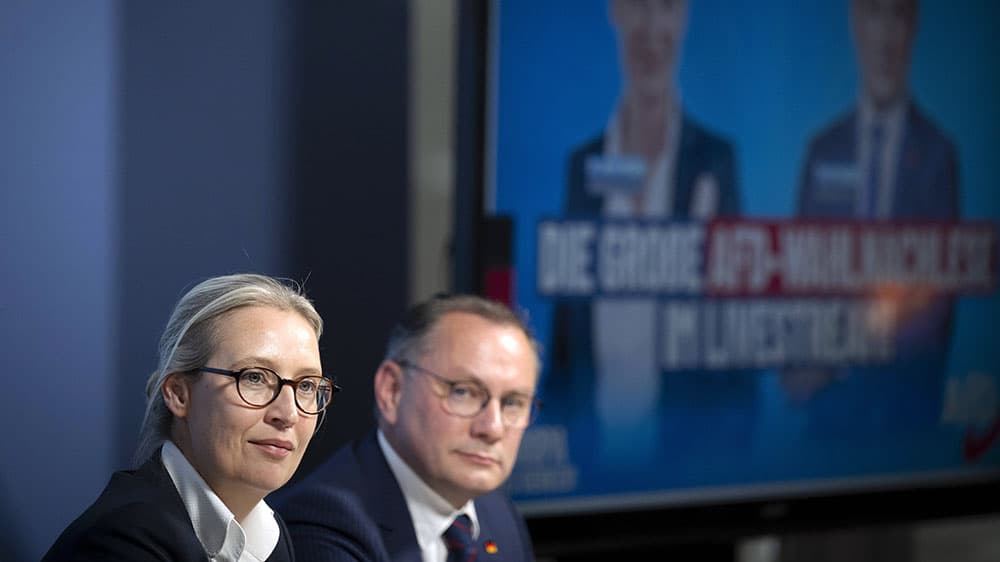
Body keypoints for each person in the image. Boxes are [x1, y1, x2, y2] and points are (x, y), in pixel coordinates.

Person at [548, 0, 749, 466]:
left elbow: (739, 341)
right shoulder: (583, 167)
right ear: (615, 11)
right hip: (589, 472)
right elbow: (564, 342)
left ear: (684, 17)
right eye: (638, 4)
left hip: (689, 465)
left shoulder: (716, 161)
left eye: (666, 6)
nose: (651, 26)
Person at [43, 273, 339, 561]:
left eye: (307, 385)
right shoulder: (118, 542)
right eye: (254, 378)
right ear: (179, 394)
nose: (287, 414)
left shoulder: (270, 534)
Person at [787, 0, 958, 433]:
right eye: (873, 14)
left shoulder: (939, 154)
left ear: (913, 27)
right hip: (825, 419)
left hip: (904, 418)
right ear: (854, 24)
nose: (884, 36)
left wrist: (847, 348)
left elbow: (937, 308)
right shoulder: (821, 149)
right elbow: (798, 277)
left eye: (897, 15)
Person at [274, 294, 537, 562]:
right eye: (463, 392)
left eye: (513, 402)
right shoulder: (323, 523)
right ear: (393, 391)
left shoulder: (498, 513)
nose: (492, 428)